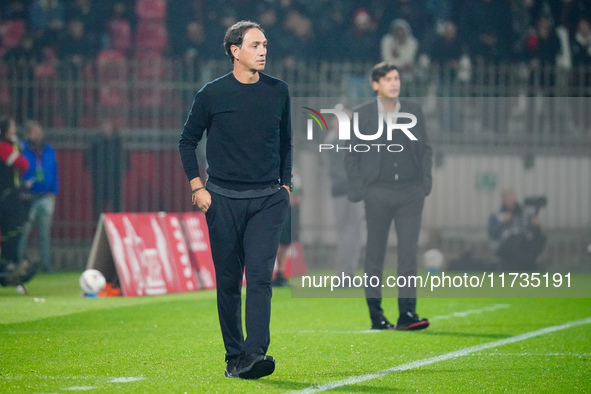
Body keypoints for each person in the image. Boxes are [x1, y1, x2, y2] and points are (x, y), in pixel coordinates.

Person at [178, 21, 291, 379]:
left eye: (265, 45)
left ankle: (256, 353)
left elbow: (286, 143)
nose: (263, 51)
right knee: (229, 282)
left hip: (267, 201)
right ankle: (234, 357)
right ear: (234, 50)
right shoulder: (211, 94)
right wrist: (198, 187)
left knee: (259, 278)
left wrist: (285, 187)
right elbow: (186, 142)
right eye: (255, 45)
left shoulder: (279, 91)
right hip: (222, 200)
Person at [345, 62, 433, 331]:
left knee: (408, 256)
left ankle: (408, 314)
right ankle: (377, 316)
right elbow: (351, 155)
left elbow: (425, 150)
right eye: (388, 79)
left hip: (410, 193)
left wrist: (424, 183)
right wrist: (362, 189)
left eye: (396, 78)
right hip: (377, 192)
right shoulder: (362, 114)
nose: (394, 83)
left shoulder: (414, 111)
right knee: (375, 255)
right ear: (375, 85)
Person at [322, 105, 363, 279]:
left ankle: (347, 272)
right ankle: (344, 274)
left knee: (351, 234)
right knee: (349, 234)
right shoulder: (336, 140)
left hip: (346, 191)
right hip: (345, 192)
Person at [18, 121, 59, 273]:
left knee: (44, 233)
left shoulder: (49, 149)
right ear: (28, 134)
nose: (38, 134)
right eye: (35, 132)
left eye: (39, 131)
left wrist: (54, 192)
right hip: (28, 196)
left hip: (46, 196)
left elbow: (55, 171)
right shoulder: (22, 149)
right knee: (24, 232)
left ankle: (46, 265)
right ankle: (19, 263)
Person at [0, 118, 32, 286]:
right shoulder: (4, 148)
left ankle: (8, 265)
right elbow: (23, 163)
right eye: (12, 127)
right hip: (7, 197)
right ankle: (8, 263)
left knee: (10, 231)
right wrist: (17, 148)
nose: (15, 130)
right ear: (6, 131)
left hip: (8, 195)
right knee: (14, 229)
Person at [488, 189, 547, 271]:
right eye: (508, 200)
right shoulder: (497, 216)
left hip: (524, 244)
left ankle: (529, 265)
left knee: (539, 238)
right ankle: (529, 266)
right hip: (506, 246)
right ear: (504, 201)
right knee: (513, 241)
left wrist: (535, 225)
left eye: (512, 199)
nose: (511, 202)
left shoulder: (524, 215)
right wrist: (503, 223)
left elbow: (530, 231)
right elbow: (492, 233)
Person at [84, 120, 126, 219]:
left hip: (115, 180)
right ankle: (99, 229)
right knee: (98, 208)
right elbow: (88, 160)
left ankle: (116, 229)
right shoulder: (95, 143)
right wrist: (95, 173)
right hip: (99, 180)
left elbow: (124, 160)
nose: (106, 130)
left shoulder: (117, 142)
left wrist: (120, 173)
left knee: (117, 208)